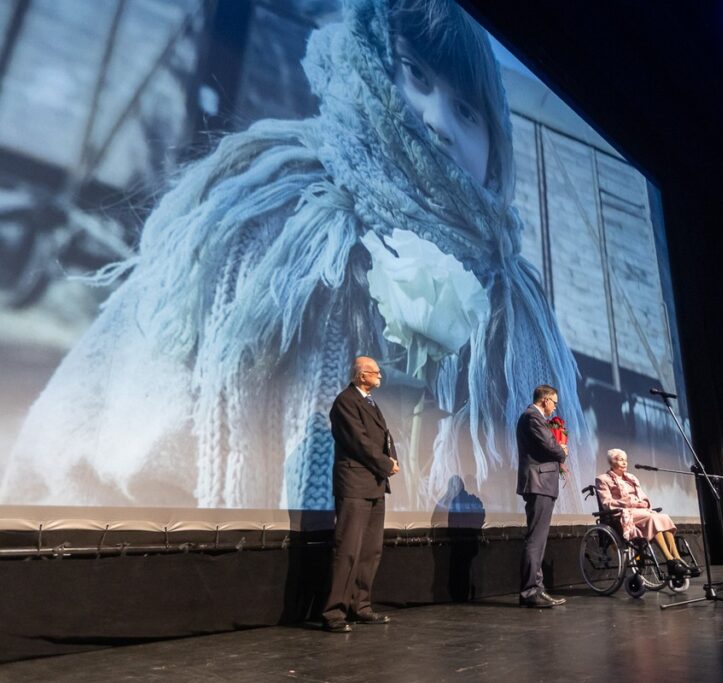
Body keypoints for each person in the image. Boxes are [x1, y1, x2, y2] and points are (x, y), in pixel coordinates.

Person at [1, 0, 591, 514]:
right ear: (370, 67)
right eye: (415, 73)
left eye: (467, 110)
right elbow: (82, 440)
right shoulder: (261, 218)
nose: (438, 121)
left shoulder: (520, 313)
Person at [321, 356, 400, 632]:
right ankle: (334, 613)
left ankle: (361, 606)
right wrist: (385, 463)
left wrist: (392, 459)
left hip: (374, 485)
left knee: (370, 551)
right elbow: (359, 441)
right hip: (354, 484)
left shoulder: (369, 401)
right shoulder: (345, 401)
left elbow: (384, 437)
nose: (379, 374)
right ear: (360, 375)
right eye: (374, 371)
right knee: (348, 551)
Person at [595, 449, 688, 577]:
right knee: (652, 518)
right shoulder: (602, 479)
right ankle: (669, 560)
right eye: (620, 459)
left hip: (640, 511)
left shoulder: (632, 478)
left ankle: (677, 558)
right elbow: (606, 503)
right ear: (611, 462)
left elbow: (642, 496)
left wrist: (644, 502)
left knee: (663, 517)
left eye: (625, 460)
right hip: (622, 513)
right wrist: (627, 502)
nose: (624, 463)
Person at [516, 384, 568, 608]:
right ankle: (530, 592)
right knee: (536, 539)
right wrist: (562, 451)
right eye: (554, 403)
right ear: (545, 400)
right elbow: (551, 447)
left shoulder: (534, 418)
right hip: (539, 483)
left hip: (542, 483)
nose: (555, 408)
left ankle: (537, 588)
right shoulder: (532, 417)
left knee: (539, 539)